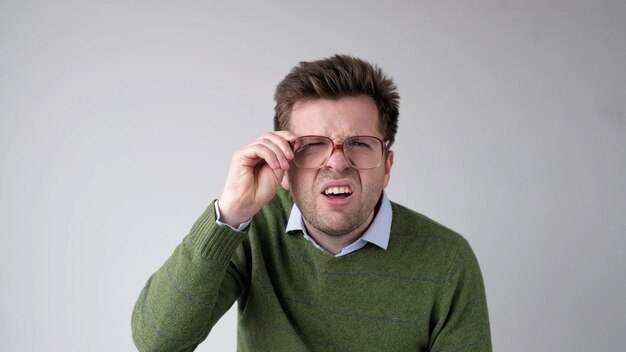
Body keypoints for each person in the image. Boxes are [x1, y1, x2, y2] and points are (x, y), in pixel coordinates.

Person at [131, 55, 492, 351]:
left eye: (360, 143)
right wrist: (230, 214)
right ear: (284, 167)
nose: (337, 162)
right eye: (313, 145)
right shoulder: (252, 230)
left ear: (387, 167)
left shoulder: (448, 260)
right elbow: (157, 344)